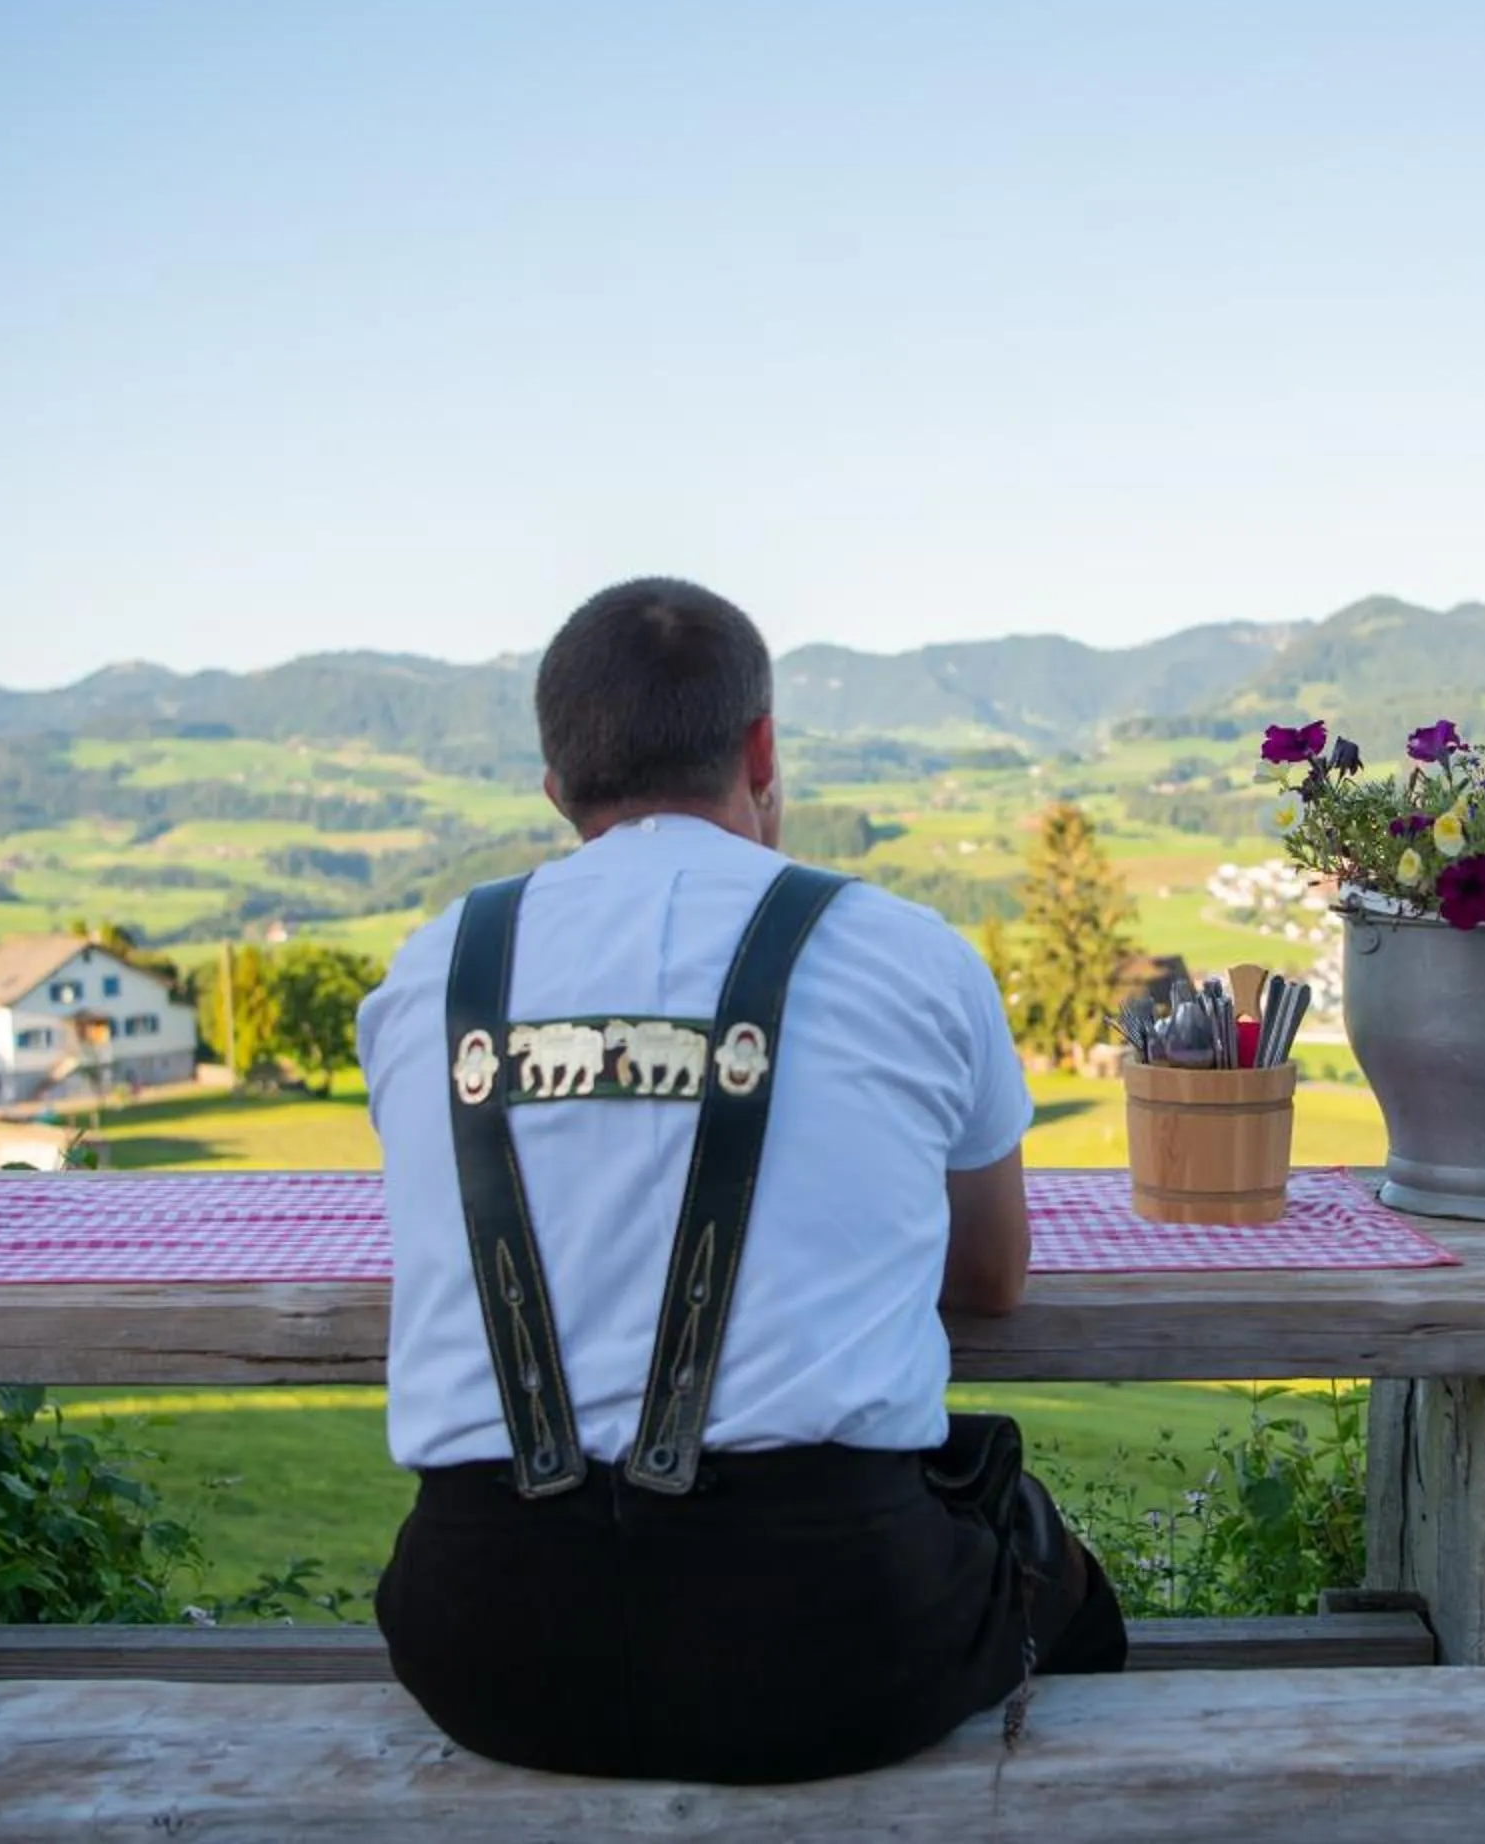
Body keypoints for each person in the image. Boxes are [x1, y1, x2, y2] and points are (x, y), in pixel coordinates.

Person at [355, 575, 1125, 1785]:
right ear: (762, 749)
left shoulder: (430, 972)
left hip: (488, 1648)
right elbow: (991, 1278)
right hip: (837, 1644)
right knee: (1047, 1566)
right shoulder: (910, 950)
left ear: (556, 785)